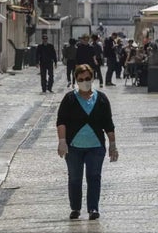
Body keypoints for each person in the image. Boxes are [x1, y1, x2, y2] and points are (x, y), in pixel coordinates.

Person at [56, 64, 118, 220]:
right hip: (74, 147)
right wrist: (62, 141)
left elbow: (108, 124)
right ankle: (75, 208)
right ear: (76, 80)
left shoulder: (102, 99)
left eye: (88, 78)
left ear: (93, 78)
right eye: (81, 79)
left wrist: (113, 145)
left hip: (96, 147)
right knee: (75, 178)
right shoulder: (69, 99)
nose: (85, 82)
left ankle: (93, 208)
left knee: (94, 177)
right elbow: (61, 121)